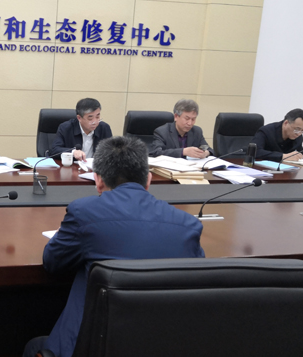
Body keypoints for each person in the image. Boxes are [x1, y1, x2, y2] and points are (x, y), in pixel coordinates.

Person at [24, 136, 205, 357]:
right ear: (148, 180)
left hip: (92, 346)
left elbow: (52, 262)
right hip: (162, 345)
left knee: (33, 346)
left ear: (98, 180)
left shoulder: (83, 213)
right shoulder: (188, 225)